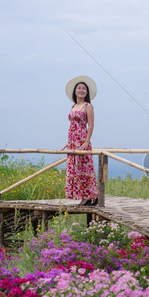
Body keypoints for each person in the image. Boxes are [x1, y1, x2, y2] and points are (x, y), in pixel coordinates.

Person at [63, 75, 99, 206]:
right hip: (73, 140)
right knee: (75, 169)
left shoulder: (88, 106)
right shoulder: (73, 106)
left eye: (84, 89)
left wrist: (86, 141)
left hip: (82, 139)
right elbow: (73, 125)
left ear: (87, 92)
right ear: (75, 91)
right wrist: (69, 142)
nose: (81, 90)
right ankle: (84, 196)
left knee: (84, 168)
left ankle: (91, 196)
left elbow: (91, 124)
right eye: (79, 88)